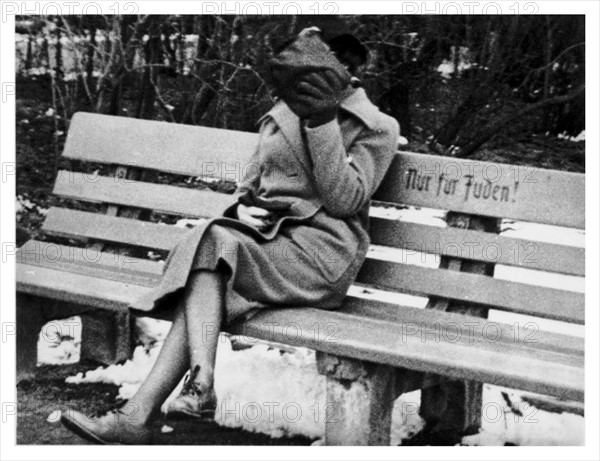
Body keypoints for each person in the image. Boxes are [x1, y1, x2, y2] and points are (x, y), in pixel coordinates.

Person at [60, 23, 400, 445]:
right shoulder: (282, 112)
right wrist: (243, 207)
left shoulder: (377, 126)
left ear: (345, 70)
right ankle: (181, 394)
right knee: (211, 250)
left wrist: (323, 123)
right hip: (266, 241)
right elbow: (250, 184)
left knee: (208, 260)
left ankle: (151, 410)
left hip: (320, 252)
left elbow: (345, 200)